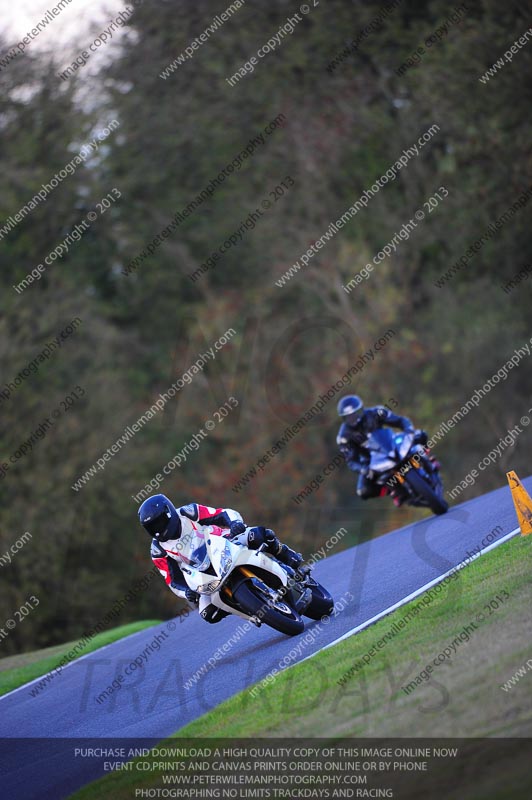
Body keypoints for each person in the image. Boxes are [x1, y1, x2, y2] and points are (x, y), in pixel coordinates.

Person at [138, 495, 303, 623]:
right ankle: (248, 606)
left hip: (226, 542)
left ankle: (287, 555)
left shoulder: (188, 512)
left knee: (259, 535)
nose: (158, 529)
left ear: (169, 512)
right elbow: (173, 581)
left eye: (160, 522)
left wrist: (235, 523)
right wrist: (186, 592)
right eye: (152, 527)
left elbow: (221, 514)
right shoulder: (158, 550)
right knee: (208, 613)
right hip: (203, 572)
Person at [336, 395, 437, 506]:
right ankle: (393, 491)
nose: (354, 418)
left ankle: (427, 458)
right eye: (349, 417)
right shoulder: (344, 437)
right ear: (344, 419)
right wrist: (364, 469)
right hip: (371, 460)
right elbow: (351, 461)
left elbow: (400, 420)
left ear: (361, 409)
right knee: (363, 491)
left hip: (391, 444)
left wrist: (408, 430)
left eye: (356, 413)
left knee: (421, 435)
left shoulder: (376, 412)